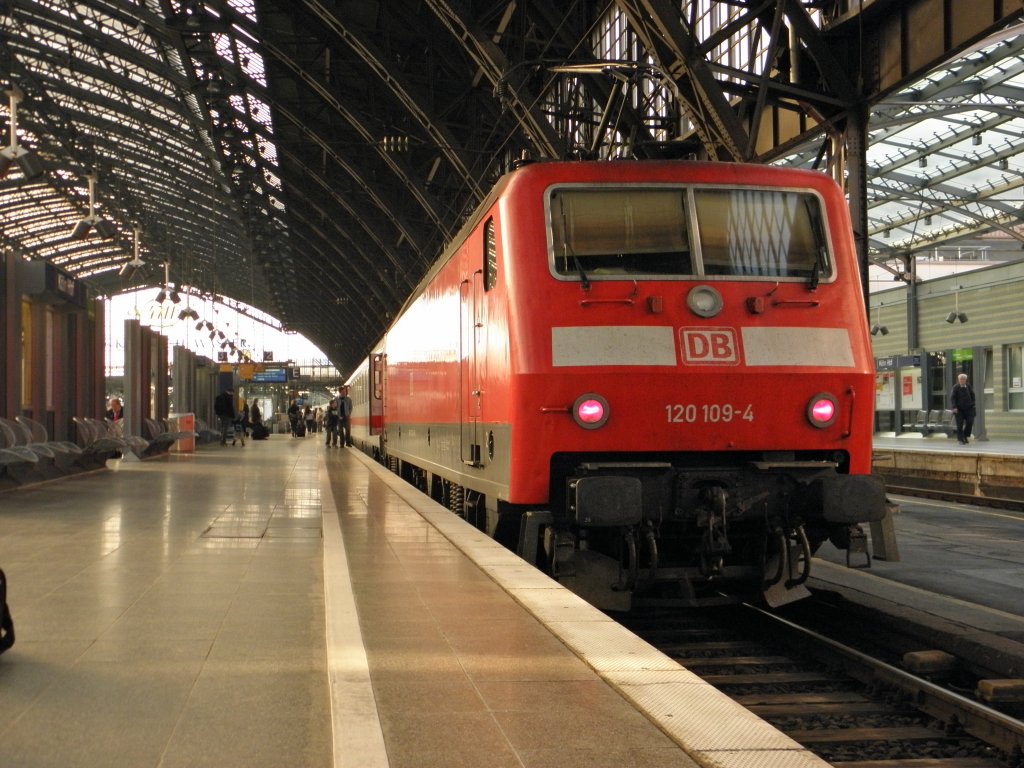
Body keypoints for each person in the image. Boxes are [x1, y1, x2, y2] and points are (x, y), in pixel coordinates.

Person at [950, 373, 976, 445]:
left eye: (963, 379)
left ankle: (965, 435)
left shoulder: (968, 386)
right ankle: (960, 439)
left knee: (970, 422)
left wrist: (973, 403)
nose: (962, 380)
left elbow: (972, 395)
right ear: (958, 380)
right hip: (959, 409)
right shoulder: (955, 387)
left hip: (969, 408)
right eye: (960, 379)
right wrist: (954, 407)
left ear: (965, 380)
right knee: (960, 425)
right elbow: (953, 398)